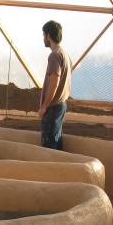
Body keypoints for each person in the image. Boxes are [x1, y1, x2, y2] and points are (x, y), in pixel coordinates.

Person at [38, 20, 72, 150]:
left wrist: (44, 107)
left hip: (53, 108)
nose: (43, 39)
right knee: (56, 143)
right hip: (61, 105)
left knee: (49, 146)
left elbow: (54, 83)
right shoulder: (65, 55)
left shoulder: (54, 55)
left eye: (43, 35)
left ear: (48, 35)